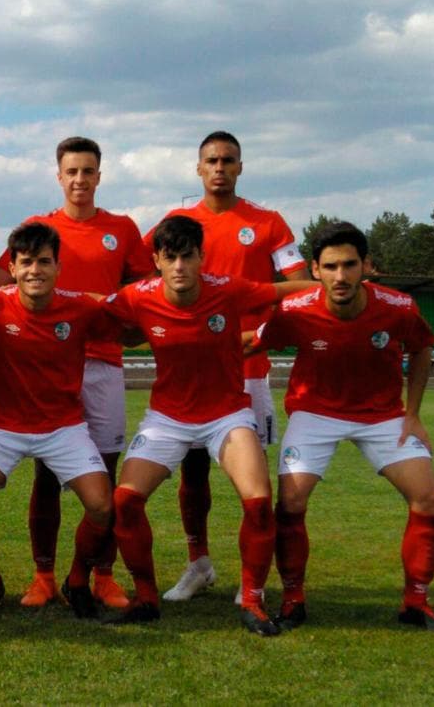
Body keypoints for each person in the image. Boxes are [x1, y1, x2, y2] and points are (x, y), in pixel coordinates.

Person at [105, 215, 314, 635]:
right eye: (170, 258)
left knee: (257, 503)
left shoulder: (228, 290)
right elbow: (90, 305)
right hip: (167, 417)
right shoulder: (138, 296)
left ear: (201, 258)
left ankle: (252, 600)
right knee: (125, 502)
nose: (179, 266)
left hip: (227, 414)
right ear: (157, 262)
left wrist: (330, 287)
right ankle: (146, 597)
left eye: (187, 256)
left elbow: (280, 289)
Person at [250, 222, 434, 632]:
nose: (340, 276)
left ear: (367, 266)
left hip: (382, 415)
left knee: (428, 498)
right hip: (315, 412)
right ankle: (293, 599)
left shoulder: (399, 307)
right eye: (330, 266)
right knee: (291, 503)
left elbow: (423, 346)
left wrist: (412, 414)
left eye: (349, 265)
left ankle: (416, 602)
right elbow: (254, 341)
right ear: (315, 270)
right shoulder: (294, 309)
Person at [146, 131, 309, 603]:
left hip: (247, 373)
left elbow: (297, 286)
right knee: (193, 474)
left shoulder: (268, 223)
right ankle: (199, 564)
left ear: (241, 167)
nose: (219, 168)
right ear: (198, 168)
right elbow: (141, 275)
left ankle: (249, 575)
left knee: (250, 479)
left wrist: (258, 338)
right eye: (211, 161)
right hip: (188, 377)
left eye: (228, 160)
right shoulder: (176, 223)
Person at [0, 136, 153, 610]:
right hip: (48, 364)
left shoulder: (122, 229)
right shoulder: (38, 228)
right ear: (58, 176)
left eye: (88, 171)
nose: (80, 180)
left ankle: (99, 574)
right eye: (72, 172)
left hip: (102, 365)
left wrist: (136, 331)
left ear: (99, 176)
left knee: (101, 475)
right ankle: (44, 576)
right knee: (46, 473)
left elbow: (143, 291)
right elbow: (5, 283)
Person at [0, 222, 119, 620]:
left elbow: (130, 320)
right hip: (1, 427)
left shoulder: (80, 306)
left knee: (102, 506)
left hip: (63, 428)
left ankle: (77, 579)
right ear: (11, 267)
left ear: (58, 267)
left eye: (44, 262)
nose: (35, 271)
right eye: (26, 262)